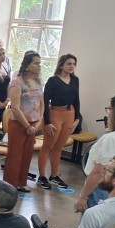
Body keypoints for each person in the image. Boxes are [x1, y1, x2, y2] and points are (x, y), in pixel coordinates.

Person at [37, 54, 82, 190]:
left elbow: (76, 99)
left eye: (74, 64)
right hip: (55, 114)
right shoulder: (53, 80)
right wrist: (47, 122)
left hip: (69, 114)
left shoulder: (75, 80)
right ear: (61, 65)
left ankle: (54, 175)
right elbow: (45, 101)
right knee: (48, 146)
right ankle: (42, 176)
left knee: (59, 147)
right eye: (69, 63)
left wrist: (77, 119)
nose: (72, 66)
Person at [5, 52, 44, 193]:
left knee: (27, 155)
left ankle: (21, 182)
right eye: (36, 63)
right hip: (19, 124)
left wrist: (38, 124)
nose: (39, 66)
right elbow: (15, 108)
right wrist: (27, 125)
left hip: (33, 124)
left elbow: (42, 104)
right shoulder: (17, 82)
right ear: (27, 65)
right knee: (15, 155)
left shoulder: (38, 82)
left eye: (39, 63)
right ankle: (10, 185)